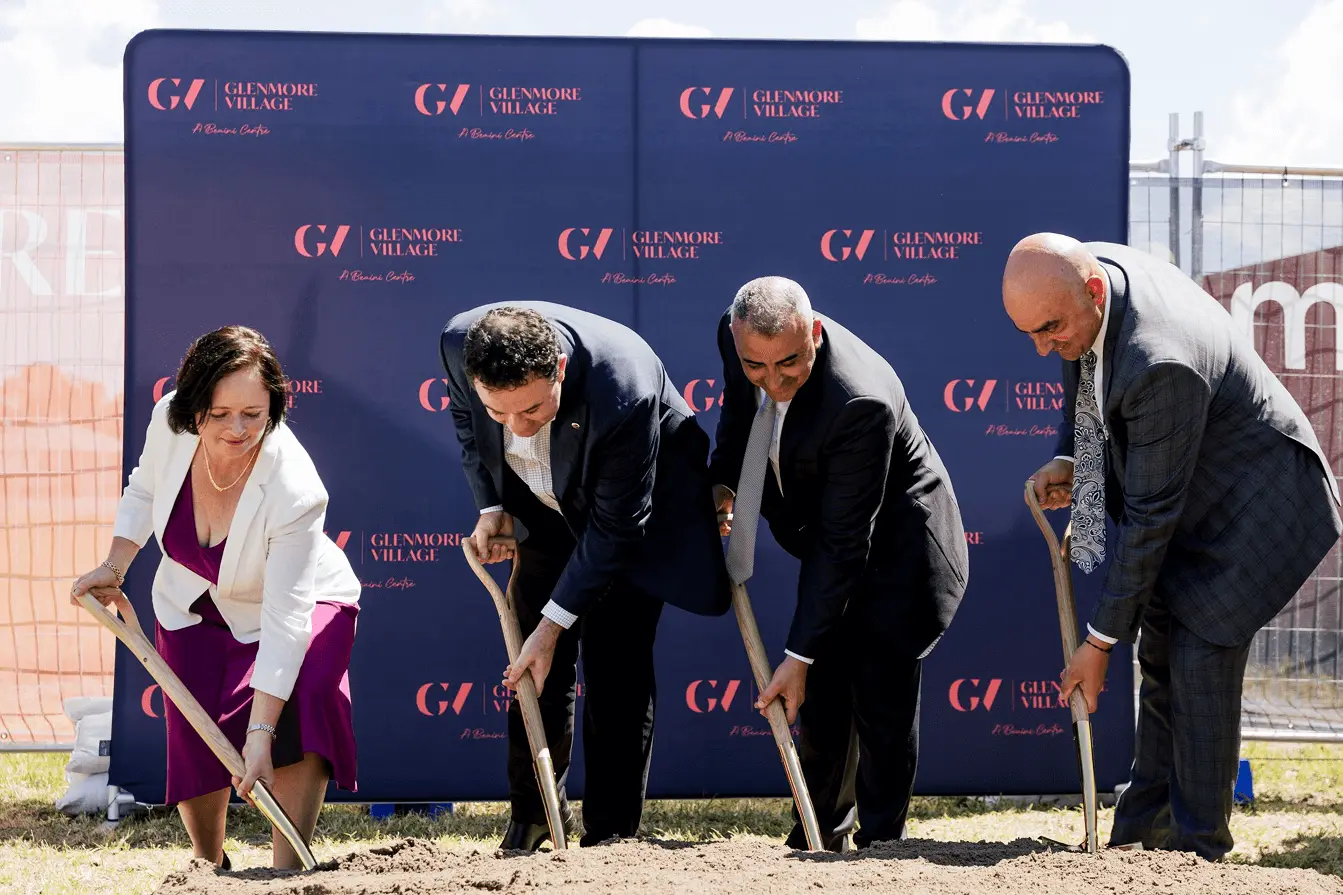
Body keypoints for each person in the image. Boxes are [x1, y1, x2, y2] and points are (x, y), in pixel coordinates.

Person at [1003, 234, 1342, 859]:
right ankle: (1139, 842)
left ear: (1093, 293)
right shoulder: (1082, 284)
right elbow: (1086, 371)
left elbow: (1148, 518)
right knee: (1160, 655)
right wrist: (1073, 459)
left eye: (1049, 329)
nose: (1042, 347)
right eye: (1029, 333)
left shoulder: (1159, 360)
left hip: (1257, 505)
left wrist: (1099, 644)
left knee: (1197, 665)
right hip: (1193, 494)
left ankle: (1198, 854)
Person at [440, 302, 731, 851]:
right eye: (499, 412)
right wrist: (492, 503)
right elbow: (464, 419)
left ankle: (611, 835)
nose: (517, 428)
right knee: (533, 669)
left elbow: (615, 529)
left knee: (616, 666)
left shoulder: (623, 387)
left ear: (559, 367)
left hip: (631, 510)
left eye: (532, 408)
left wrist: (552, 627)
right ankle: (534, 818)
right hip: (542, 507)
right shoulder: (459, 345)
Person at [70, 326, 361, 870]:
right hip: (191, 599)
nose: (238, 428)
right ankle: (209, 870)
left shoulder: (296, 489)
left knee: (308, 695)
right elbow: (145, 488)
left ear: (274, 406)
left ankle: (286, 871)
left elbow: (287, 620)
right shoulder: (170, 418)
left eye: (253, 413)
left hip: (299, 600)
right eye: (220, 413)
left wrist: (261, 734)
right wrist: (114, 567)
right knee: (193, 723)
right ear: (194, 406)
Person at [709, 276, 969, 851]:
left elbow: (843, 543)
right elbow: (740, 410)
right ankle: (817, 833)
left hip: (900, 548)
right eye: (757, 366)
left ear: (816, 333)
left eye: (790, 364)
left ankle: (882, 846)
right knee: (823, 696)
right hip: (830, 533)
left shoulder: (860, 400)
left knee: (879, 698)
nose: (774, 383)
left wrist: (798, 655)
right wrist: (725, 480)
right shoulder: (738, 337)